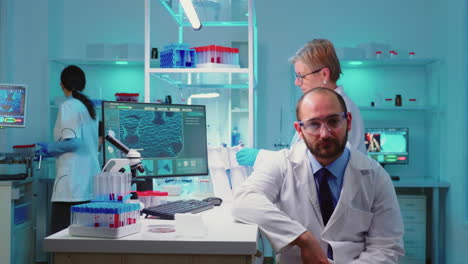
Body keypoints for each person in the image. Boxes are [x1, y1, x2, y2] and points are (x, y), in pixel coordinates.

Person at [232, 87, 404, 263]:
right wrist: (303, 238)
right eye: (314, 124)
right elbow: (244, 200)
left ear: (348, 122)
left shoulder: (375, 176)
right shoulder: (282, 163)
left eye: (333, 121)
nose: (325, 134)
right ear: (299, 130)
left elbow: (386, 248)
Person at [236, 39, 366, 166]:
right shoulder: (327, 106)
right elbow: (301, 156)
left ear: (324, 75)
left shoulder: (340, 109)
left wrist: (261, 157)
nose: (297, 83)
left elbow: (312, 161)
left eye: (301, 76)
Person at [36, 65, 100, 234]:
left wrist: (48, 148)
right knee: (82, 240)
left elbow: (73, 143)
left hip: (71, 187)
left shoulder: (69, 106)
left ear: (62, 84)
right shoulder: (89, 108)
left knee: (61, 239)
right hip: (88, 185)